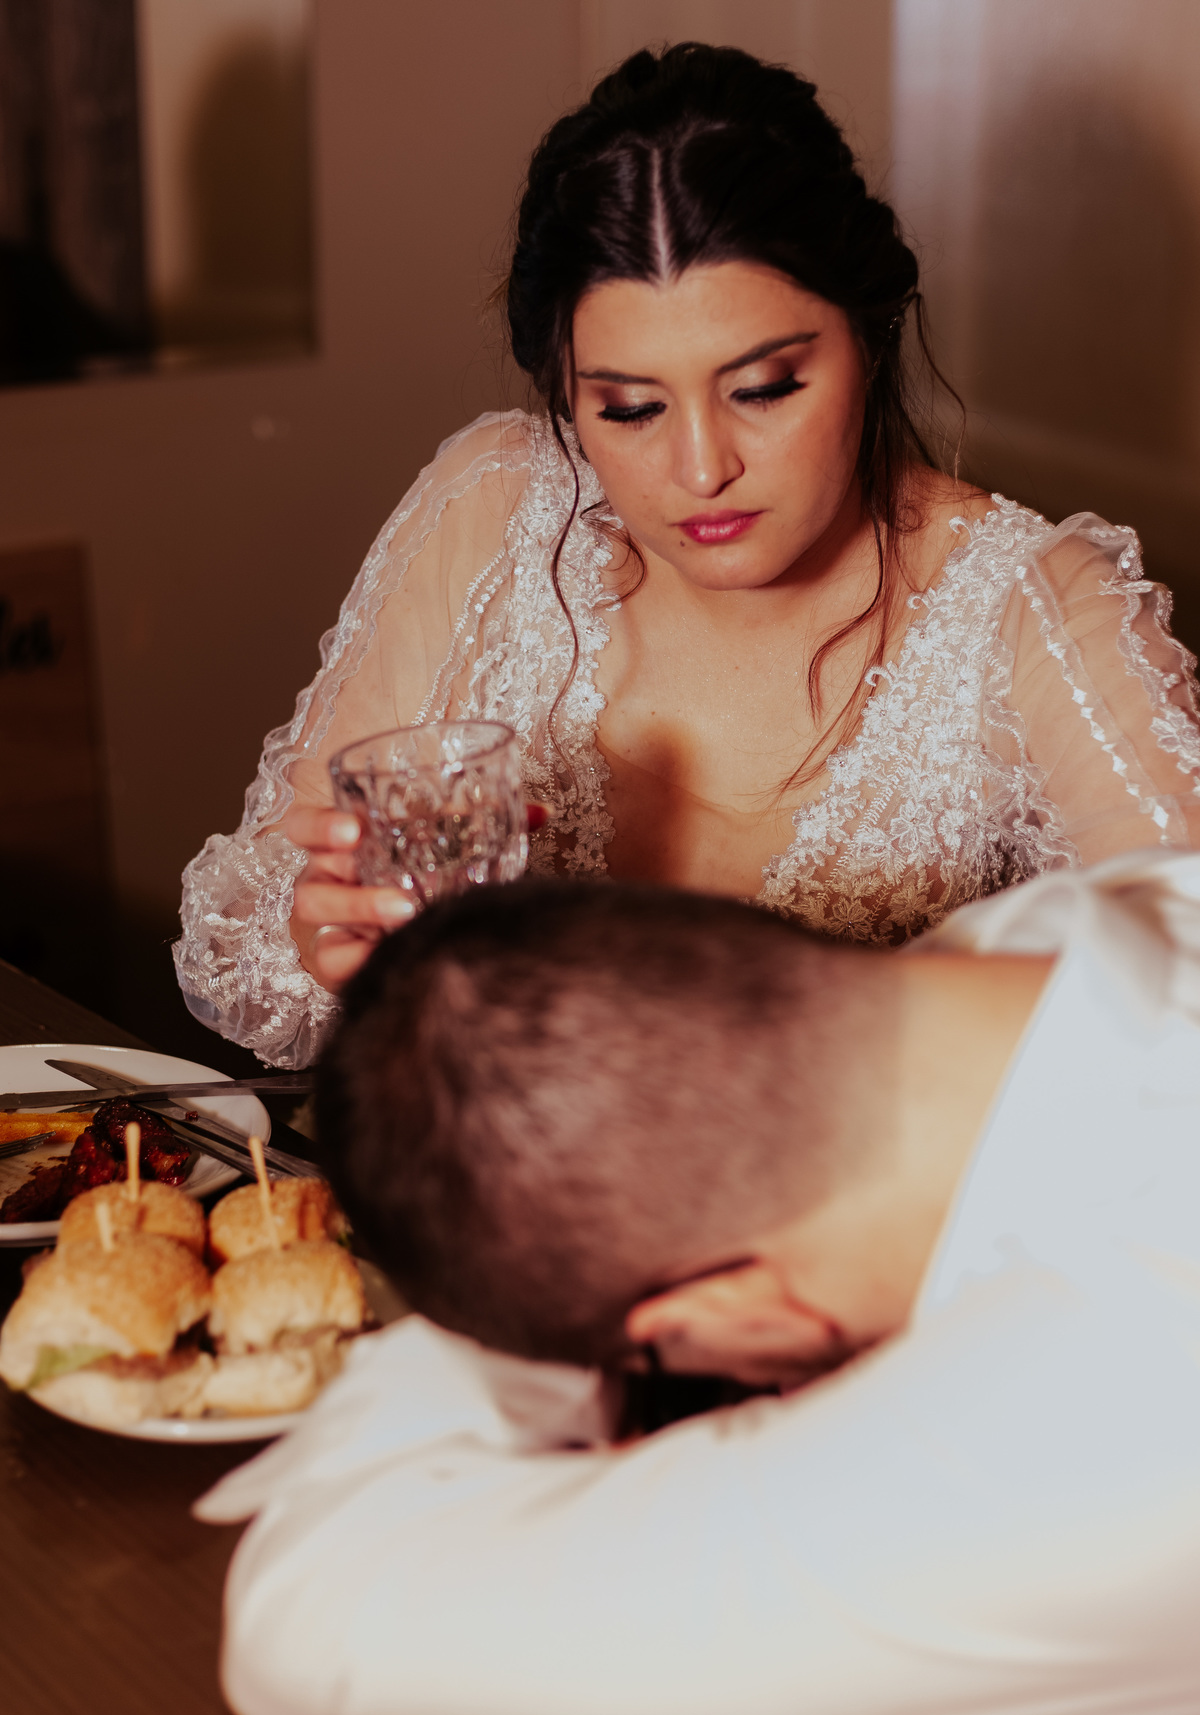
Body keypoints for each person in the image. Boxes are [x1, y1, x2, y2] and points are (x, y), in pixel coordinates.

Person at [175, 43, 1200, 1070]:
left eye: (763, 389)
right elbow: (248, 938)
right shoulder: (496, 510)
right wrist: (326, 937)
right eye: (630, 408)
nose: (702, 469)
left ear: (871, 333)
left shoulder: (1035, 611)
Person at [200, 858, 1200, 1715]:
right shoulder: (1060, 938)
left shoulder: (1110, 1392)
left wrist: (618, 1696)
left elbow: (303, 1630)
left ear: (716, 1313)